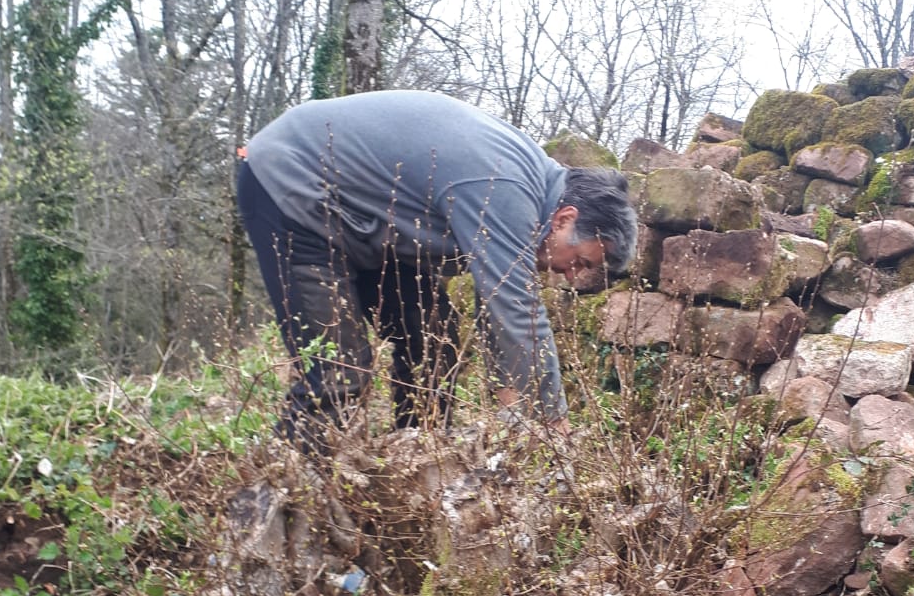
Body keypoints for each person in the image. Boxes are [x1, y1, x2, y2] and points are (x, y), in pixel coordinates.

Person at [237, 89, 637, 441]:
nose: (570, 274)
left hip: (362, 221)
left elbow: (493, 305)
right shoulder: (508, 189)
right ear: (565, 219)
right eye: (580, 260)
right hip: (295, 185)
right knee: (338, 373)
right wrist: (553, 422)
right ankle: (286, 491)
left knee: (434, 342)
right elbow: (517, 310)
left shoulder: (526, 188)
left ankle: (413, 467)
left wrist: (513, 403)